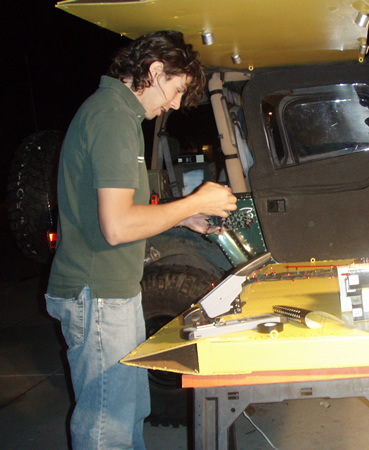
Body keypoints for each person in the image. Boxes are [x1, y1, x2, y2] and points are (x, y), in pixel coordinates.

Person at [45, 31, 237, 448]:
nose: (174, 104)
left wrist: (183, 216)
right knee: (108, 428)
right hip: (99, 292)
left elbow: (121, 211)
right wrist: (192, 202)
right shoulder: (112, 116)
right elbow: (117, 226)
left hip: (115, 290)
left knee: (129, 413)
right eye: (176, 90)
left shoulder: (118, 115)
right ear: (155, 70)